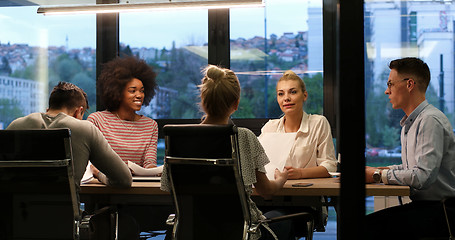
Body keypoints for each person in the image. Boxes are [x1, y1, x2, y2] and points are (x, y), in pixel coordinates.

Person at [161, 65, 290, 240]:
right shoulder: (243, 137)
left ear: (202, 99)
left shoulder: (179, 139)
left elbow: (168, 189)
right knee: (283, 220)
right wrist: (281, 179)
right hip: (243, 233)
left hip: (193, 232)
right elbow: (266, 191)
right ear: (236, 104)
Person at [365, 57, 455, 239]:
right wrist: (379, 170)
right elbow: (411, 169)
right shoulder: (411, 123)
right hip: (428, 209)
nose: (386, 91)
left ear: (409, 84)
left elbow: (422, 176)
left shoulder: (430, 120)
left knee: (362, 228)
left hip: (440, 213)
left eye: (390, 84)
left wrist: (377, 175)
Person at [6, 81, 132, 190]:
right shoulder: (85, 129)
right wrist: (98, 174)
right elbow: (124, 180)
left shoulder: (15, 126)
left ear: (48, 109)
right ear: (79, 112)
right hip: (64, 216)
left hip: (15, 215)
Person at [259, 70, 337, 179]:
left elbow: (330, 166)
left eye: (293, 92)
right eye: (281, 94)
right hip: (275, 191)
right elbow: (259, 165)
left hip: (309, 193)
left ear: (304, 96)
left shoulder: (319, 123)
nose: (286, 98)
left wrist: (301, 173)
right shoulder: (269, 127)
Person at [87, 56, 159, 169]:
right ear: (118, 92)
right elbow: (91, 163)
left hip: (138, 185)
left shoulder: (150, 126)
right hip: (103, 184)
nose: (139, 95)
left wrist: (154, 170)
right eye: (132, 91)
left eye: (142, 91)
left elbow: (149, 163)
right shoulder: (97, 120)